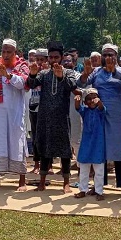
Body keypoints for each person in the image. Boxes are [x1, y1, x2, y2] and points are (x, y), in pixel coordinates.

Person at [78, 43, 121, 198]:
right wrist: (85, 74)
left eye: (111, 55)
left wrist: (115, 71)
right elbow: (82, 83)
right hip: (99, 117)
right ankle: (99, 187)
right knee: (100, 151)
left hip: (117, 119)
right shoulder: (97, 72)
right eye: (105, 55)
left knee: (120, 152)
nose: (108, 58)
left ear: (116, 56)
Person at [27, 41, 78, 193]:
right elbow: (31, 84)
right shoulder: (44, 74)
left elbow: (73, 87)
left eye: (56, 57)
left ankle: (66, 183)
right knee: (44, 149)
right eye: (51, 57)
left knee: (64, 150)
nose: (53, 60)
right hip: (45, 117)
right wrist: (33, 73)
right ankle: (42, 181)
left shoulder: (68, 73)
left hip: (62, 117)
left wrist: (61, 76)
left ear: (62, 58)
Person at [0, 38, 29, 191]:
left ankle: (22, 180)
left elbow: (23, 83)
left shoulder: (22, 65)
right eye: (3, 51)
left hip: (15, 111)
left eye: (9, 52)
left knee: (17, 141)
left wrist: (9, 76)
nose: (6, 54)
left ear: (15, 53)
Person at [73, 88, 106, 200]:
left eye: (94, 98)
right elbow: (78, 108)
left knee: (99, 170)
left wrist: (99, 102)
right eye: (89, 99)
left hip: (98, 144)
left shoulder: (100, 111)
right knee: (84, 168)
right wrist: (77, 101)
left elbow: (102, 107)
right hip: (86, 143)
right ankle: (83, 190)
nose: (92, 101)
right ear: (85, 101)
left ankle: (99, 191)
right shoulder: (85, 111)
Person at [28, 48, 47, 173]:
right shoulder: (31, 72)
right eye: (37, 59)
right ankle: (36, 164)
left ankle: (48, 165)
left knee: (46, 137)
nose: (39, 62)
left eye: (42, 59)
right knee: (35, 137)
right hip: (33, 109)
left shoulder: (50, 73)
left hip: (46, 109)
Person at [62, 54, 82, 166]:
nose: (66, 63)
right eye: (64, 61)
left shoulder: (78, 76)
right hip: (61, 112)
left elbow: (83, 91)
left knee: (76, 140)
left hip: (74, 111)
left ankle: (80, 167)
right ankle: (65, 167)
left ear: (73, 63)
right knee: (63, 141)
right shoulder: (57, 76)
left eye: (68, 61)